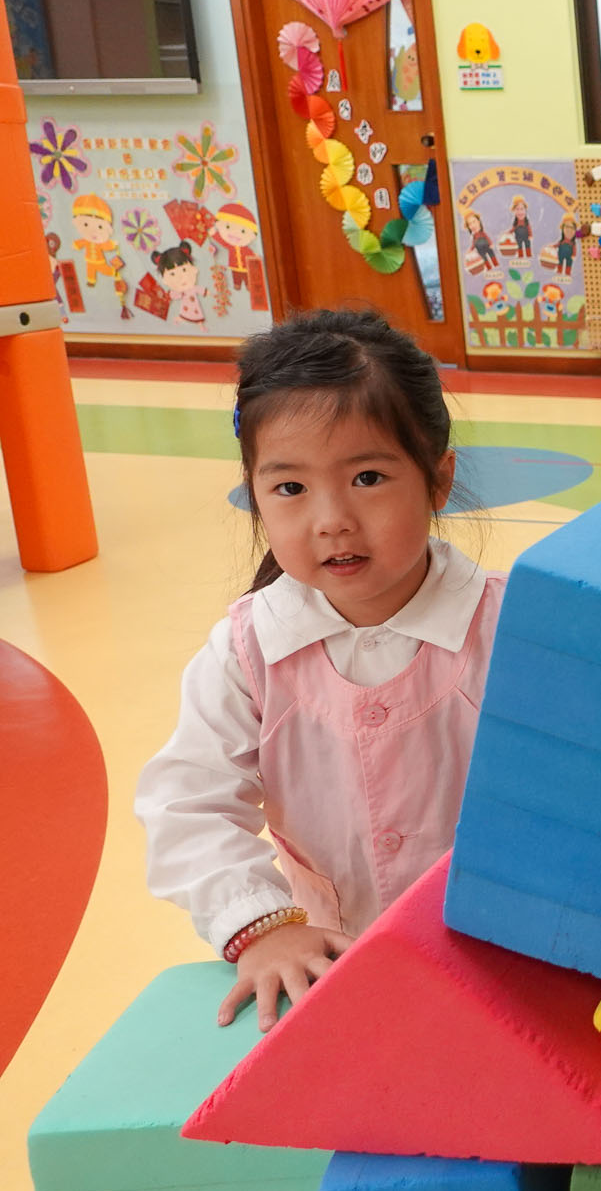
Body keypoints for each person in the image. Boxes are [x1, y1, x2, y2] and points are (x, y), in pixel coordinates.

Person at [135, 310, 504, 1031]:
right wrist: (263, 926)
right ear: (254, 493)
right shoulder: (246, 650)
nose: (331, 519)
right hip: (335, 972)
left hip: (496, 962)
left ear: (438, 479)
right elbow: (187, 805)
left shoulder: (512, 629)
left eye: (367, 477)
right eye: (290, 488)